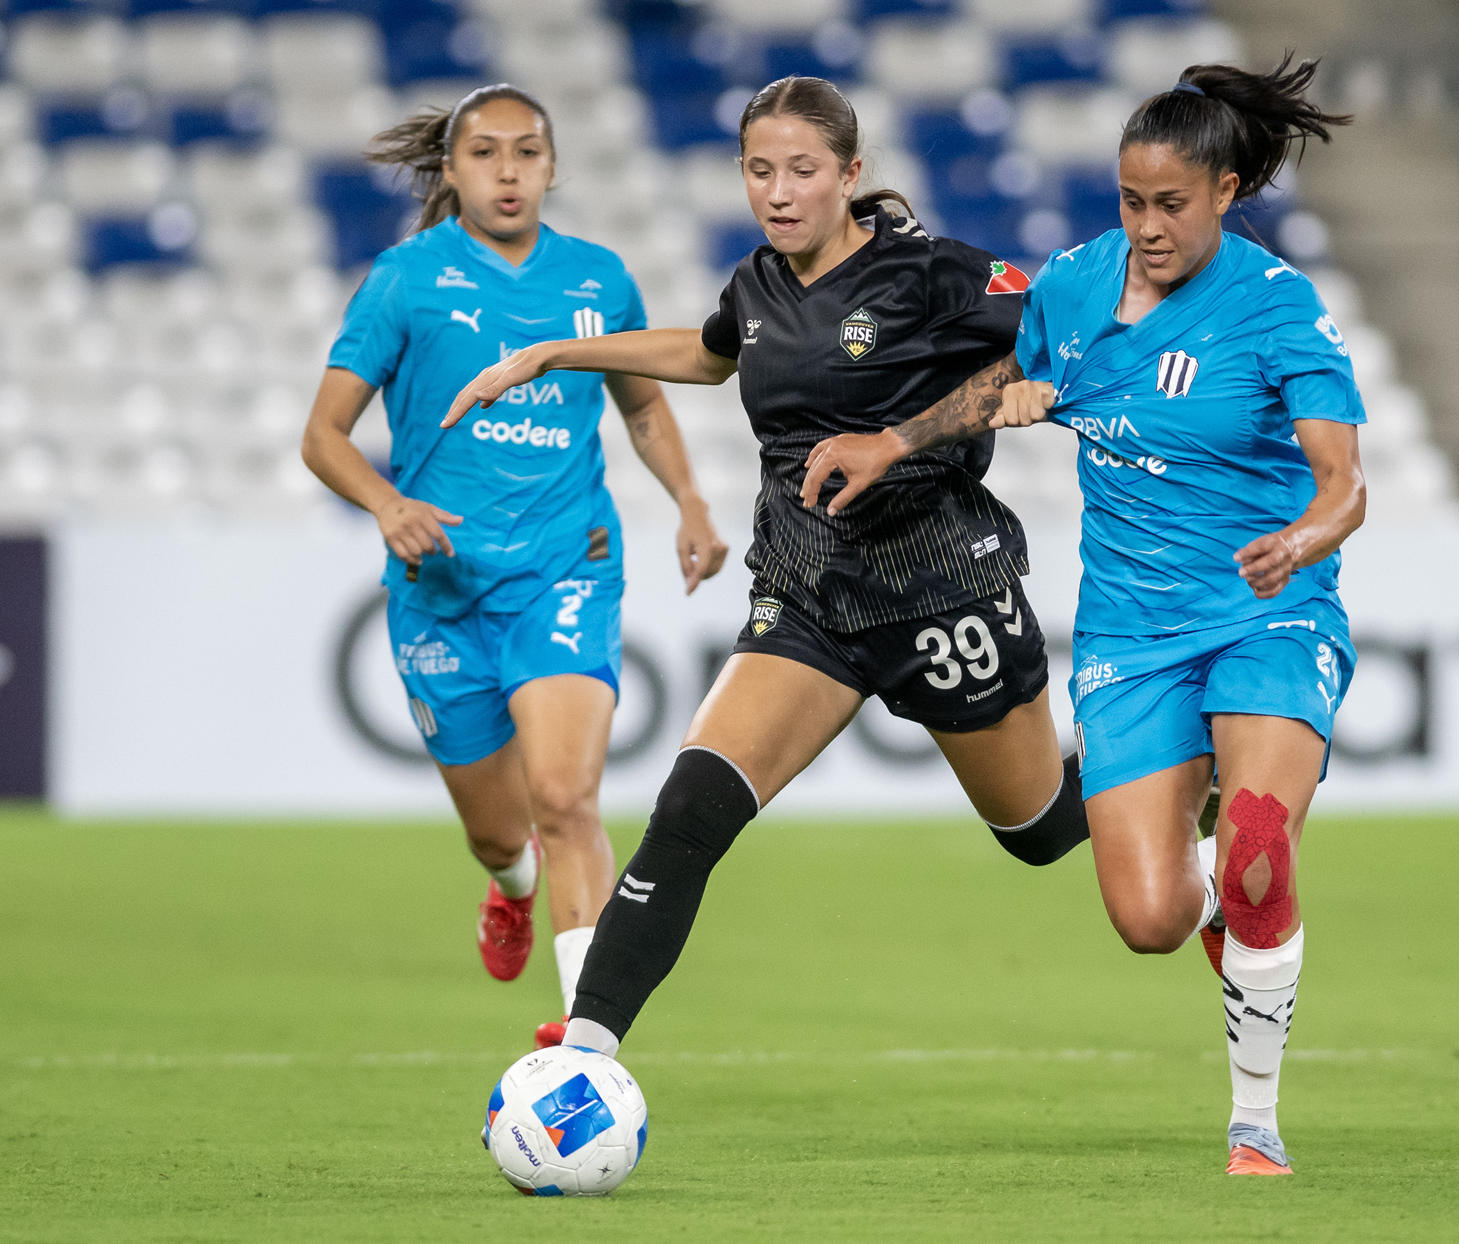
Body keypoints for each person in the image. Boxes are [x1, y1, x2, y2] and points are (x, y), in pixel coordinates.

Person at [441, 77, 1092, 1060]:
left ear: (851, 175)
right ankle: (583, 1049)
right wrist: (548, 356)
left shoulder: (930, 275)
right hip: (809, 597)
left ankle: (1167, 765)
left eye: (802, 170)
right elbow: (707, 355)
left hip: (940, 590)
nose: (778, 192)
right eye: (759, 170)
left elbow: (1060, 344)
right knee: (691, 807)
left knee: (1038, 830)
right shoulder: (755, 287)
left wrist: (909, 433)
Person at [801, 59, 1363, 1176]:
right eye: (1130, 200)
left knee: (1257, 839)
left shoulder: (1275, 304)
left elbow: (1344, 481)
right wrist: (902, 437)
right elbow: (1007, 379)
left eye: (1172, 204)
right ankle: (1220, 901)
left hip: (1268, 613)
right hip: (1130, 635)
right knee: (1151, 916)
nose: (1148, 225)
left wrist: (1304, 538)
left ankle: (1256, 1117)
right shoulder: (1075, 283)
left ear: (1228, 191)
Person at [300, 84, 729, 1046]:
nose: (507, 171)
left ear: (551, 166)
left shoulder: (598, 280)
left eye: (527, 152)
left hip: (565, 568)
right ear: (450, 171)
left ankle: (585, 1040)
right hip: (442, 593)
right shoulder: (406, 280)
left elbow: (644, 406)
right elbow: (323, 436)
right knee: (502, 832)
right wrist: (388, 503)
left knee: (568, 796)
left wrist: (691, 503)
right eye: (485, 153)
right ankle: (512, 887)